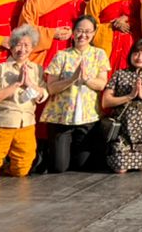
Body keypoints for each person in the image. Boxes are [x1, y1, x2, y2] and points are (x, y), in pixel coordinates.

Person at [42, 14, 111, 174]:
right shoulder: (62, 55)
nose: (83, 35)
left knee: (83, 165)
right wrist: (72, 79)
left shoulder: (99, 54)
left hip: (88, 117)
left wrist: (86, 78)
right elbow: (51, 88)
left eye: (88, 31)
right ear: (73, 32)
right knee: (60, 167)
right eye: (79, 31)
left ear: (94, 33)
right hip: (62, 118)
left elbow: (101, 84)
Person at [0, 25, 45, 181]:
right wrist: (15, 84)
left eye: (26, 45)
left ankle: (7, 169)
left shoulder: (37, 69)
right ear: (11, 47)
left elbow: (43, 94)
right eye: (18, 45)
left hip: (25, 124)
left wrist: (29, 83)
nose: (22, 49)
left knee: (22, 169)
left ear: (33, 48)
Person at [100, 37, 142, 174]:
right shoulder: (119, 74)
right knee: (121, 169)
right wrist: (129, 97)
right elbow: (106, 101)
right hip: (122, 130)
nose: (139, 57)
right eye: (136, 53)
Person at [19, 0, 84, 68]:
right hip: (41, 53)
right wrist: (52, 33)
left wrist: (72, 33)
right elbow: (25, 28)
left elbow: (84, 27)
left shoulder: (76, 0)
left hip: (69, 52)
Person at [86, 0, 134, 72]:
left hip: (126, 44)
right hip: (105, 45)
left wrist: (127, 19)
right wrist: (111, 25)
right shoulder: (96, 0)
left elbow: (140, 22)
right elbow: (90, 26)